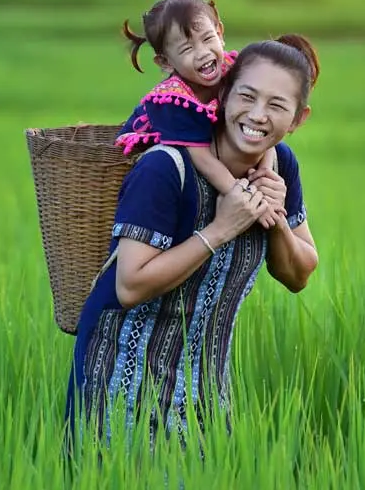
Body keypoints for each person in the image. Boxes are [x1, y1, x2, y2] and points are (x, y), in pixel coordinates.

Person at [64, 33, 322, 455]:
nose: (257, 116)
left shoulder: (282, 166)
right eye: (247, 96)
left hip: (205, 386)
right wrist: (221, 228)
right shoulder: (166, 169)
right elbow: (129, 285)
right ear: (222, 93)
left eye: (277, 106)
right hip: (122, 381)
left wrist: (273, 219)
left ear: (298, 118)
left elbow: (299, 274)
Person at [116, 0, 278, 228]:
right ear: (165, 62)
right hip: (166, 157)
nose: (202, 53)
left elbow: (261, 122)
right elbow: (201, 158)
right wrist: (247, 199)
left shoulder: (237, 72)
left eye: (207, 38)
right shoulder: (172, 101)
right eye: (187, 49)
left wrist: (264, 176)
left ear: (220, 33)